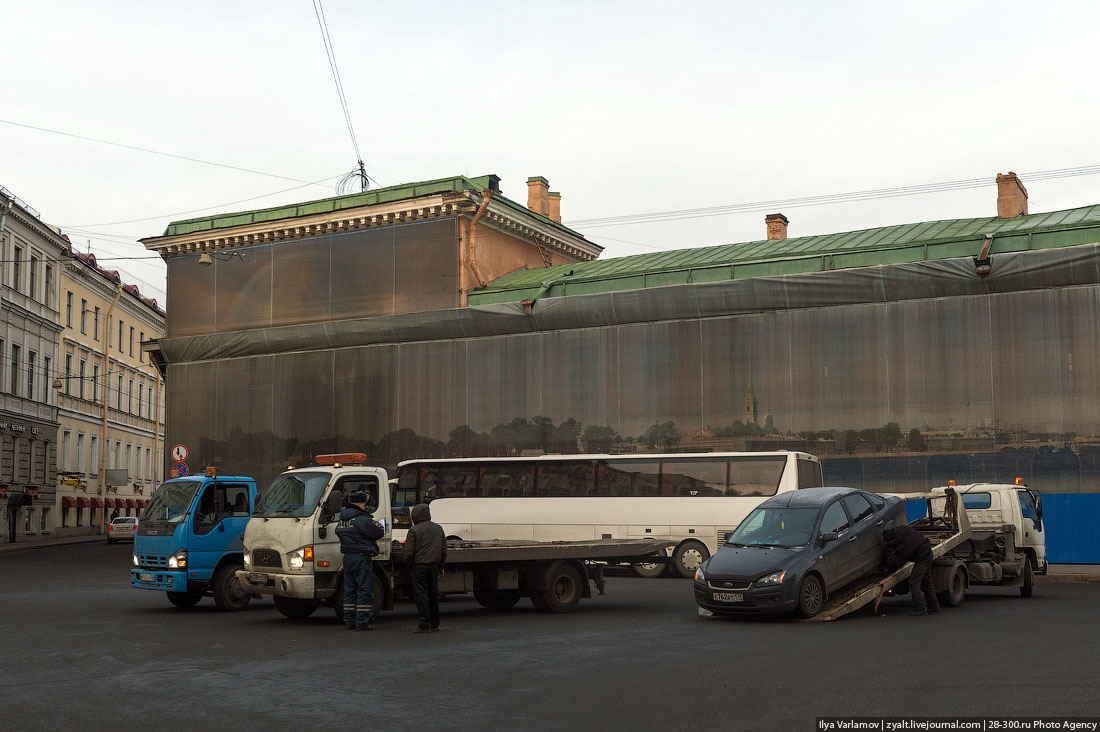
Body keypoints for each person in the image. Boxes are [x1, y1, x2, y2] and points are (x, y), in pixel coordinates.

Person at [336, 490, 385, 630]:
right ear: (360, 502)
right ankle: (362, 622)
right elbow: (378, 532)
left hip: (348, 557)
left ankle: (349, 621)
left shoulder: (343, 519)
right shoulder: (362, 519)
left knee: (349, 590)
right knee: (364, 589)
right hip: (361, 558)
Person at [404, 503, 447, 633]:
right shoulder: (438, 528)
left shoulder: (414, 530)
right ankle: (435, 624)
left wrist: (409, 564)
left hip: (418, 567)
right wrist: (441, 566)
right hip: (433, 566)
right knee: (433, 594)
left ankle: (424, 623)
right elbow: (443, 550)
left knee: (421, 596)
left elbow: (409, 552)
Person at [883, 525, 940, 616]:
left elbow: (898, 562)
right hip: (927, 552)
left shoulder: (905, 545)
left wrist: (888, 569)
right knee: (927, 582)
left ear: (893, 539)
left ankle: (921, 608)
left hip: (923, 558)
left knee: (914, 582)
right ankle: (934, 607)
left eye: (890, 543)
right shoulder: (901, 530)